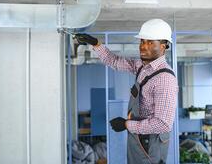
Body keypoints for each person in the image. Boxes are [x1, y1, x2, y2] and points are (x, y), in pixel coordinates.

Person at [74, 19, 178, 164]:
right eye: (142, 41)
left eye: (150, 42)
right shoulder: (142, 66)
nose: (143, 47)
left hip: (150, 144)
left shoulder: (164, 79)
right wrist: (96, 43)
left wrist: (127, 125)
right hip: (139, 136)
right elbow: (115, 61)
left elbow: (162, 124)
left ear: (163, 46)